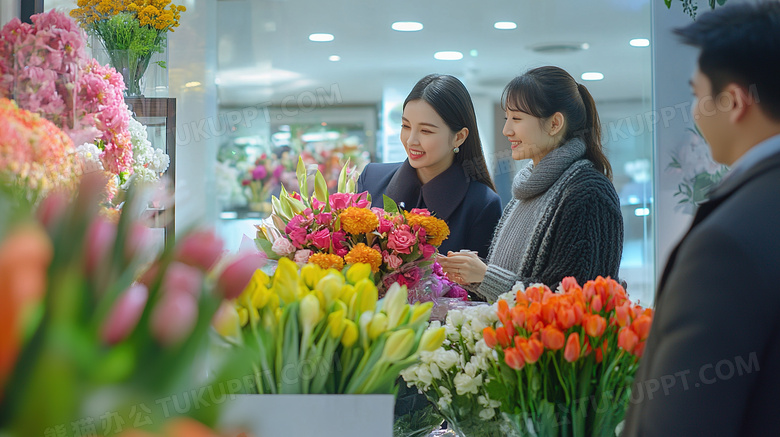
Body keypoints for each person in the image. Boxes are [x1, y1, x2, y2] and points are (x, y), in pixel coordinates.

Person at [622, 3, 780, 436]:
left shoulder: (729, 242)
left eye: (697, 94)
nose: (693, 112)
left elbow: (682, 418)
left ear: (733, 101)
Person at [438, 66, 623, 302]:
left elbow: (573, 299)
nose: (507, 130)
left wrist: (486, 276)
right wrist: (472, 271)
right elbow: (520, 278)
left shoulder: (588, 192)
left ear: (555, 123)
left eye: (517, 118)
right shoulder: (527, 187)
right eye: (507, 118)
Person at [357, 74, 502, 259]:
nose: (411, 140)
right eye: (405, 126)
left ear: (459, 137)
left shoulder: (482, 203)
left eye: (426, 131)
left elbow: (477, 283)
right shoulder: (371, 178)